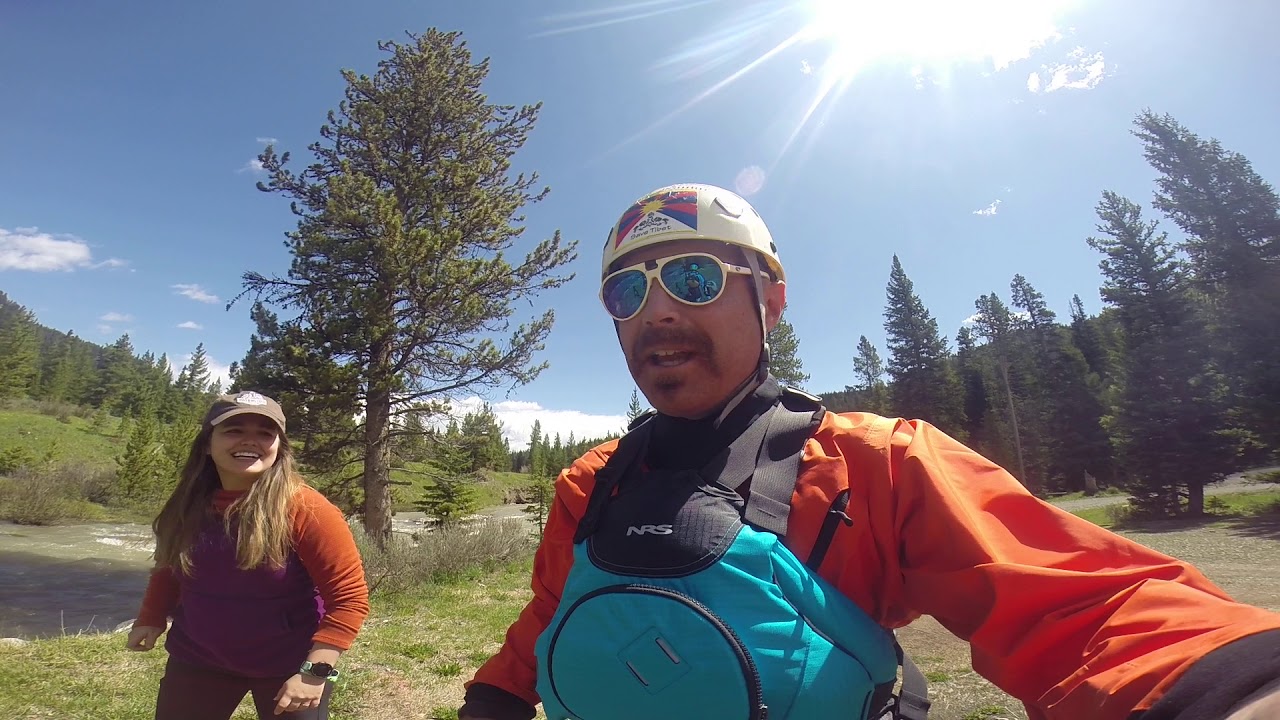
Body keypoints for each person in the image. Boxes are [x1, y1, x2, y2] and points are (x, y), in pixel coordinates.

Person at [457, 182, 1280, 720]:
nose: (657, 313)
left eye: (696, 280)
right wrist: (494, 697)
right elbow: (550, 615)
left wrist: (1234, 688)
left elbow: (1085, 605)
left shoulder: (875, 462)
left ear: (768, 300)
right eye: (628, 292)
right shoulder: (589, 482)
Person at [126, 390, 370, 720]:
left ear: (279, 446)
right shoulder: (187, 504)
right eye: (234, 430)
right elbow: (169, 566)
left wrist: (315, 674)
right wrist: (151, 616)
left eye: (265, 433)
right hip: (198, 659)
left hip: (289, 665)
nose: (250, 441)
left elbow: (349, 598)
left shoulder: (308, 509)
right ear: (207, 442)